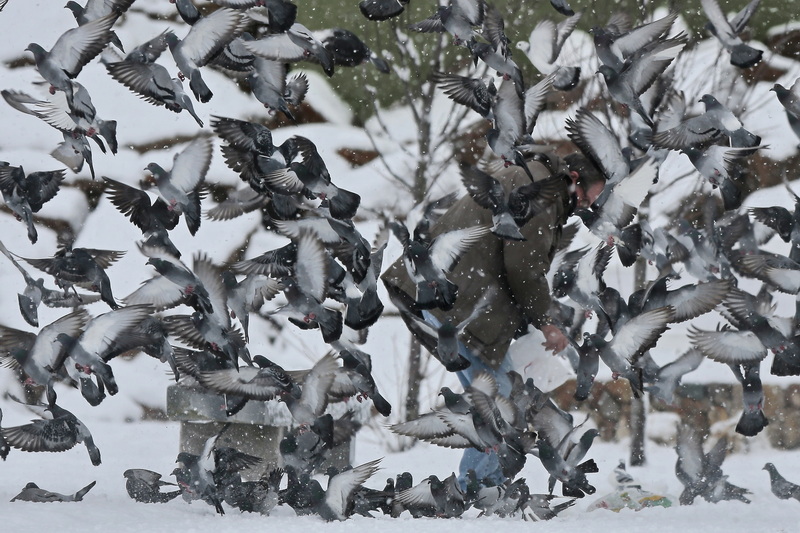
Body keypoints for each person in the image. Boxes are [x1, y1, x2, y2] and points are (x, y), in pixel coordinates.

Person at [382, 149, 606, 487]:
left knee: (498, 395)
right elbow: (523, 265)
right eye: (592, 196)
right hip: (457, 302)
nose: (590, 205)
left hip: (448, 294)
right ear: (575, 180)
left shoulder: (531, 179)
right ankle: (475, 487)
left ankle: (484, 484)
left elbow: (515, 260)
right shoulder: (542, 194)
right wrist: (545, 321)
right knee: (497, 399)